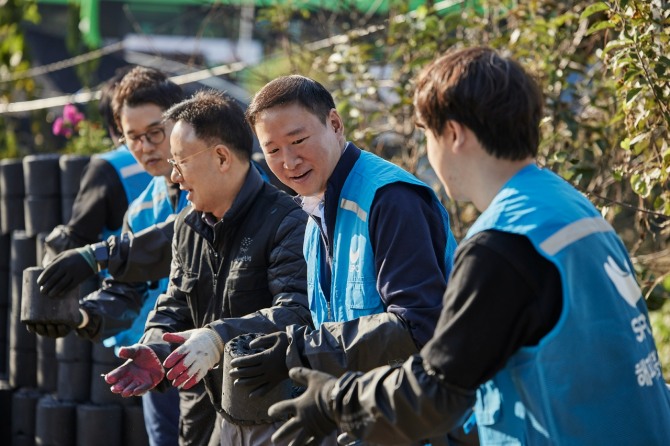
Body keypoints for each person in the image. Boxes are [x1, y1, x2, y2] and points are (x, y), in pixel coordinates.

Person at [262, 46, 670, 446]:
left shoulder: (502, 244)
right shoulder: (570, 206)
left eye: (426, 134)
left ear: (453, 134)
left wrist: (335, 402)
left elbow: (439, 387)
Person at [229, 75, 473, 445]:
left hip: (417, 426)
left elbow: (418, 324)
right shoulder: (316, 212)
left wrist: (298, 352)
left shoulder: (391, 199)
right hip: (361, 423)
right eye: (273, 150)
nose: (289, 161)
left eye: (297, 141)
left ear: (335, 124)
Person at [102, 89, 313, 446]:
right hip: (207, 413)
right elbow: (175, 304)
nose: (174, 177)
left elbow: (296, 313)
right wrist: (155, 347)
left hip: (276, 420)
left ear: (221, 157)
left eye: (179, 162)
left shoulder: (288, 223)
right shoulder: (188, 223)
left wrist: (218, 338)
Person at [32, 66, 195, 446]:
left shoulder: (217, 187)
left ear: (181, 122)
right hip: (160, 362)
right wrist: (82, 316)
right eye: (132, 138)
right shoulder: (140, 210)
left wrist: (96, 254)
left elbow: (184, 236)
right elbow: (126, 291)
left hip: (219, 361)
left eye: (155, 132)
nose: (145, 147)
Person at [40, 66, 152, 269]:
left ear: (115, 124)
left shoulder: (107, 167)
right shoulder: (182, 160)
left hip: (127, 294)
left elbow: (77, 239)